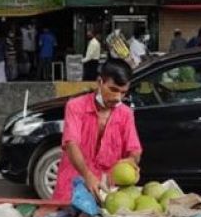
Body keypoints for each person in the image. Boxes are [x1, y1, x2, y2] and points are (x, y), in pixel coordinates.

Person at [52, 59, 142, 202]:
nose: (117, 97)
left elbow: (134, 149)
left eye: (123, 92)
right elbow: (71, 144)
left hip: (107, 192)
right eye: (113, 89)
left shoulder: (126, 114)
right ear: (100, 82)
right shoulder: (75, 106)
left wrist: (132, 160)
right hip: (71, 187)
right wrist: (87, 175)